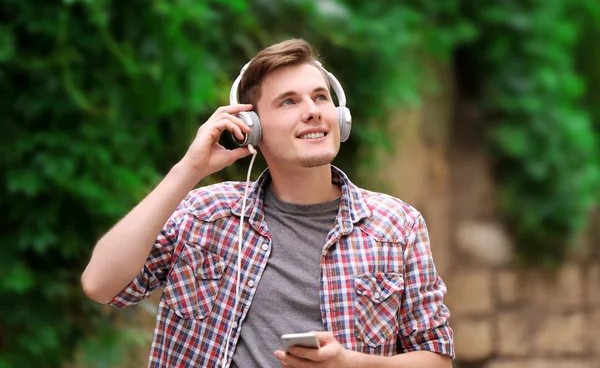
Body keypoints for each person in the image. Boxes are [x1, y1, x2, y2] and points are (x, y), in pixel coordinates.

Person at [81, 39, 454, 368]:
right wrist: (188, 169)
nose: (312, 110)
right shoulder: (206, 213)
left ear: (340, 117)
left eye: (320, 97)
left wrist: (352, 365)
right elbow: (100, 284)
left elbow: (435, 357)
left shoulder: (397, 226)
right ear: (252, 128)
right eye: (289, 101)